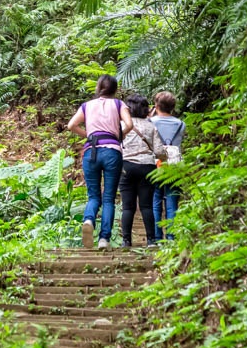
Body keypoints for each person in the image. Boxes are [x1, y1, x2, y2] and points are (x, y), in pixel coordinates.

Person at [66, 75, 133, 249]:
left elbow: (71, 125)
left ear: (98, 88)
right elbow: (129, 124)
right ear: (115, 89)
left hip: (91, 152)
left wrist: (88, 136)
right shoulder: (119, 104)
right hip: (112, 152)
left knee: (93, 195)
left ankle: (89, 220)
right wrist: (119, 135)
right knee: (109, 197)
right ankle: (104, 239)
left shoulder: (87, 106)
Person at [119, 94, 167, 248]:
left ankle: (126, 241)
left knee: (127, 206)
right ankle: (151, 240)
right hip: (147, 167)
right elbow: (159, 151)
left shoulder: (121, 125)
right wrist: (164, 157)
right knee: (146, 206)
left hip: (126, 166)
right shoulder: (150, 126)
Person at [150, 91, 185, 242]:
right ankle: (171, 236)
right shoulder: (181, 124)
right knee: (172, 200)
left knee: (155, 199)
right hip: (174, 164)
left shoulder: (151, 122)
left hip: (156, 163)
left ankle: (157, 236)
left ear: (156, 105)